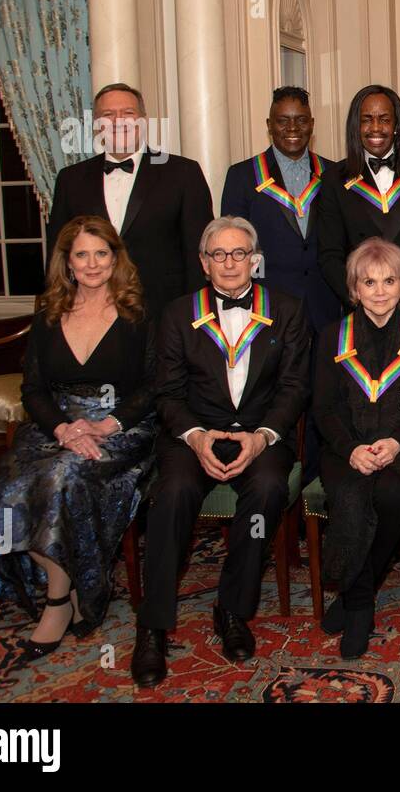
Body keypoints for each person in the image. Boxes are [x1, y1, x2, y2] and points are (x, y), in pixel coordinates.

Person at [130, 216, 310, 687]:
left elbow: (294, 387)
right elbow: (167, 392)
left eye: (239, 254)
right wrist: (195, 436)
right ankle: (152, 624)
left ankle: (232, 609)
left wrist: (263, 436)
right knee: (171, 494)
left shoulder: (287, 310)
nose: (229, 263)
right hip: (194, 435)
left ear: (255, 260)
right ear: (203, 263)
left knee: (269, 488)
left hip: (260, 434)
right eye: (218, 255)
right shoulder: (176, 314)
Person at [0, 216, 157, 658]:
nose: (93, 264)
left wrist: (104, 425)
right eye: (82, 254)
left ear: (116, 259)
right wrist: (61, 428)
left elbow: (155, 387)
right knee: (6, 485)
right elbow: (32, 389)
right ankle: (71, 585)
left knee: (62, 477)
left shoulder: (140, 313)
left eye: (102, 253)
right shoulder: (48, 313)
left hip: (121, 427)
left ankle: (57, 601)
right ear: (68, 262)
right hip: (55, 425)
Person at [313, 237, 400, 659]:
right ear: (354, 289)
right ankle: (360, 603)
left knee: (389, 494)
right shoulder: (333, 334)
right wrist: (352, 448)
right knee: (351, 492)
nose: (381, 290)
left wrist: (396, 441)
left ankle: (352, 591)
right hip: (344, 446)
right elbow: (324, 409)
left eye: (390, 280)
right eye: (369, 282)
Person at [48, 83, 213, 319]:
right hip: (90, 315)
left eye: (128, 113)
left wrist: (194, 317)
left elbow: (198, 252)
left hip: (164, 313)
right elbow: (57, 253)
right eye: (108, 115)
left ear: (143, 121)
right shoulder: (70, 179)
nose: (119, 122)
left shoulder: (182, 173)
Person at [316, 85, 400, 334]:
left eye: (384, 119)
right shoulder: (334, 179)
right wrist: (363, 297)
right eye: (367, 120)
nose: (375, 128)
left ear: (398, 125)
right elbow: (330, 255)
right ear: (356, 126)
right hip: (362, 314)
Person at [220, 86, 339, 332]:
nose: (293, 128)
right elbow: (234, 248)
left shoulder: (333, 173)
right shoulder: (242, 176)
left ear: (312, 124)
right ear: (269, 125)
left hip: (325, 303)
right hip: (267, 304)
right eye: (283, 121)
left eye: (301, 120)